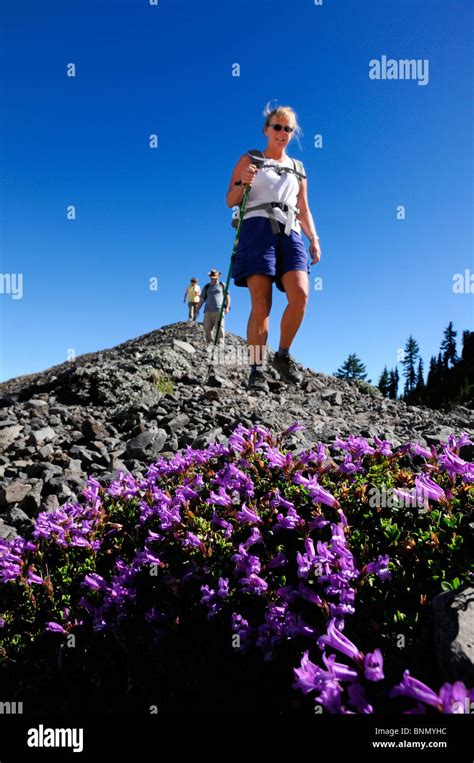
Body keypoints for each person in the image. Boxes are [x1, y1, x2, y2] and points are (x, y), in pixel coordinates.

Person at [226, 103, 321, 390]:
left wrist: (314, 239)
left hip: (290, 230)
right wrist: (244, 182)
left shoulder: (299, 169)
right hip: (257, 228)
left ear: (293, 134)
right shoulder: (250, 158)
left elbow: (304, 208)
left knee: (300, 294)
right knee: (261, 302)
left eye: (287, 128)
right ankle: (257, 368)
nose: (282, 132)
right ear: (267, 130)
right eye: (277, 127)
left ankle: (282, 354)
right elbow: (231, 200)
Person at [196, 269, 231, 347]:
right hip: (208, 310)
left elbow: (227, 297)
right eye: (212, 278)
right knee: (207, 328)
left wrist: (227, 307)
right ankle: (210, 342)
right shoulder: (207, 287)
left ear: (218, 276)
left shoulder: (222, 285)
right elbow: (202, 299)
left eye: (215, 277)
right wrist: (197, 310)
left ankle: (221, 343)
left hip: (219, 309)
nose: (214, 279)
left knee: (220, 326)